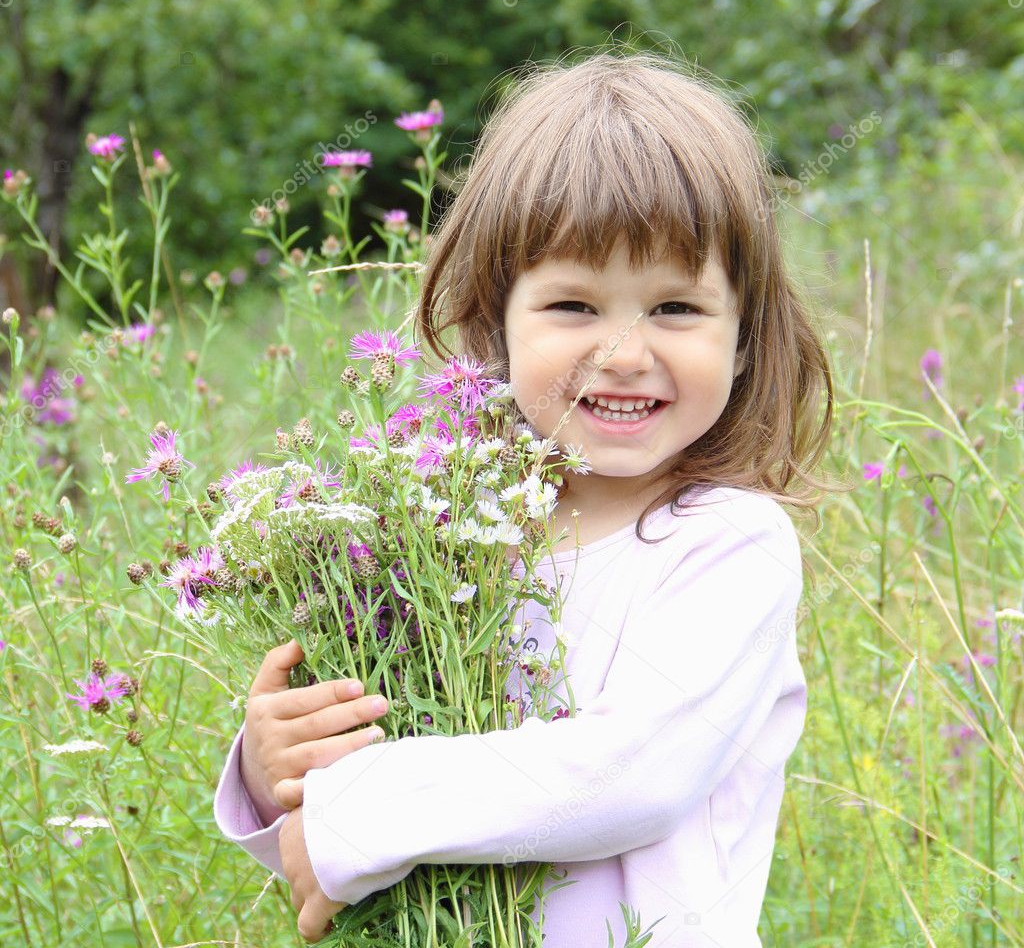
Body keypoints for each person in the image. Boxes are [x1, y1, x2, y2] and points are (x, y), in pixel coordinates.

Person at [213, 48, 838, 946]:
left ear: (745, 337)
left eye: (676, 309)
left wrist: (359, 812)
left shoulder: (731, 544)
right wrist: (283, 767)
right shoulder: (444, 543)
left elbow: (631, 776)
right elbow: (333, 849)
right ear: (495, 323)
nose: (624, 352)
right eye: (574, 307)